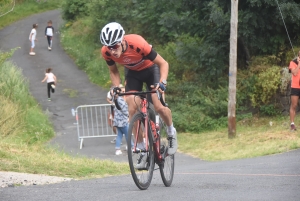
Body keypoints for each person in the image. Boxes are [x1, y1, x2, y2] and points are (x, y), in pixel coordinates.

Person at [100, 22, 177, 166]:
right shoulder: (106, 52)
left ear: (122, 40)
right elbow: (113, 71)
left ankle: (171, 131)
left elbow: (163, 63)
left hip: (150, 70)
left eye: (115, 46)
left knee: (159, 106)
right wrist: (117, 86)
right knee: (131, 107)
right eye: (109, 48)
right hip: (133, 73)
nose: (113, 51)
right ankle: (142, 150)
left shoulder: (138, 43)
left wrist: (163, 82)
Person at [113, 86, 131, 155]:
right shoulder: (120, 100)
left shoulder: (116, 99)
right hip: (123, 121)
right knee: (128, 134)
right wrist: (129, 115)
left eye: (124, 91)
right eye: (122, 91)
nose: (123, 93)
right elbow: (124, 109)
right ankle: (131, 146)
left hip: (118, 121)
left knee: (119, 135)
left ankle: (117, 149)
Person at [289, 51, 300, 131]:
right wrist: (299, 64)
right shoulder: (293, 62)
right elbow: (295, 73)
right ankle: (292, 124)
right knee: (294, 105)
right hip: (295, 87)